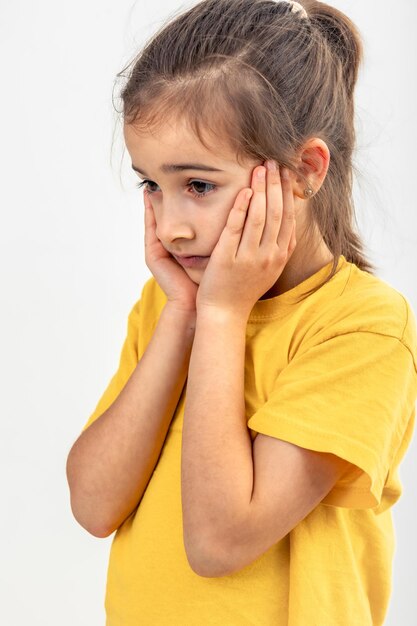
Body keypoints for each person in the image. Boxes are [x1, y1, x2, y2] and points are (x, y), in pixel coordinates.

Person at [66, 1, 417, 624]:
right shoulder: (171, 304)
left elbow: (220, 541)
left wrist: (223, 317)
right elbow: (93, 505)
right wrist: (185, 316)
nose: (171, 227)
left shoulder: (362, 328)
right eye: (151, 184)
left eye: (198, 185)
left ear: (305, 171)